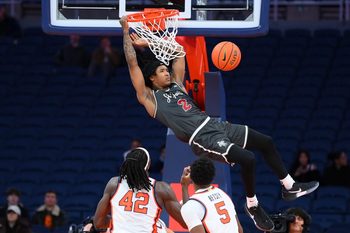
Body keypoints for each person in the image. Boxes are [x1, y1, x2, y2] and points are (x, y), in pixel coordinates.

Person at [119, 16, 319, 232]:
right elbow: (132, 63)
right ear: (151, 79)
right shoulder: (150, 99)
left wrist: (149, 43)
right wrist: (126, 31)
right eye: (161, 71)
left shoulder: (177, 85)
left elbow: (178, 50)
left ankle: (289, 186)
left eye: (166, 69)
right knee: (248, 159)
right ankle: (253, 206)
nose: (166, 71)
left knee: (266, 142)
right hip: (201, 137)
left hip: (215, 125)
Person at [93, 147, 187, 233]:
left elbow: (98, 223)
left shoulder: (114, 184)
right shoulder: (161, 189)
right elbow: (186, 223)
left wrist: (124, 220)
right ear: (148, 165)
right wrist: (185, 186)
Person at [180, 157, 243, 233]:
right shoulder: (223, 194)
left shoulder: (190, 207)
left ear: (191, 178)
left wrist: (184, 186)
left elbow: (189, 211)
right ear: (213, 176)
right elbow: (239, 230)